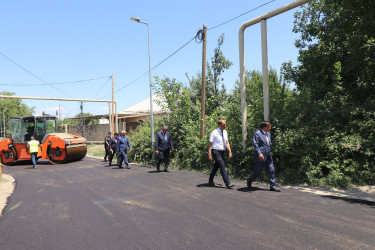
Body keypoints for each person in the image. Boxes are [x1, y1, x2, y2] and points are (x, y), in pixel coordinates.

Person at [247, 121, 280, 192]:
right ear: (264, 127)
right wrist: (259, 153)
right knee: (258, 171)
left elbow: (268, 144)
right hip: (260, 156)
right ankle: (249, 180)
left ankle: (272, 186)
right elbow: (255, 144)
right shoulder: (257, 133)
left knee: (272, 170)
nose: (270, 128)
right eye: (269, 127)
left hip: (268, 155)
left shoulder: (268, 134)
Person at [208, 120, 234, 189]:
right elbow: (210, 145)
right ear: (219, 125)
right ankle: (228, 183)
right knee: (222, 166)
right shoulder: (214, 132)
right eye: (224, 125)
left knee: (216, 166)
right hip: (216, 151)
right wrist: (209, 154)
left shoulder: (225, 132)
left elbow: (227, 142)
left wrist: (230, 151)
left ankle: (210, 180)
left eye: (225, 125)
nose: (225, 126)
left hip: (222, 151)